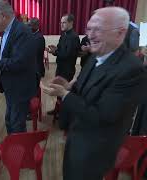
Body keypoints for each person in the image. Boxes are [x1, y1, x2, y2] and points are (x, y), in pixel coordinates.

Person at [41, 7, 147, 180]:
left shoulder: (131, 69)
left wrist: (65, 95)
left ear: (120, 33)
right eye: (89, 29)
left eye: (98, 29)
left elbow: (101, 116)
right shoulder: (96, 55)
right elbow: (83, 88)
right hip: (77, 141)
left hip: (95, 151)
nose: (90, 35)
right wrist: (68, 87)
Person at [0, 0, 37, 134]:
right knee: (10, 121)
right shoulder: (8, 30)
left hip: (19, 89)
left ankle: (19, 152)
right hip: (11, 88)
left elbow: (18, 62)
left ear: (3, 16)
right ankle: (15, 147)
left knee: (16, 126)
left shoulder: (21, 31)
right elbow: (10, 53)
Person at [47, 14, 80, 117]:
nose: (61, 24)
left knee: (64, 92)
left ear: (71, 23)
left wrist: (56, 52)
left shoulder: (74, 37)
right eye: (60, 22)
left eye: (64, 22)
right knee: (58, 89)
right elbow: (60, 49)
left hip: (67, 69)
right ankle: (58, 110)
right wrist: (54, 50)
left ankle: (64, 114)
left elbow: (67, 55)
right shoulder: (63, 34)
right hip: (61, 67)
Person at [28, 17, 46, 85]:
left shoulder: (39, 37)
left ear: (36, 26)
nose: (28, 27)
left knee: (35, 91)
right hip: (31, 68)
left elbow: (34, 53)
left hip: (36, 69)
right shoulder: (32, 35)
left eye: (30, 25)